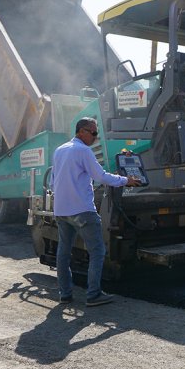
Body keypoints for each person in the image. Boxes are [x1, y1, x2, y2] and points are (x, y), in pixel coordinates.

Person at [49, 118, 142, 306]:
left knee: (64, 253)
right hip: (82, 210)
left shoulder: (59, 150)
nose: (95, 137)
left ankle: (65, 294)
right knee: (97, 251)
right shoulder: (83, 151)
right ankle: (93, 294)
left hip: (61, 210)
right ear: (82, 131)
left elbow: (52, 181)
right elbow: (101, 176)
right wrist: (126, 180)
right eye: (93, 133)